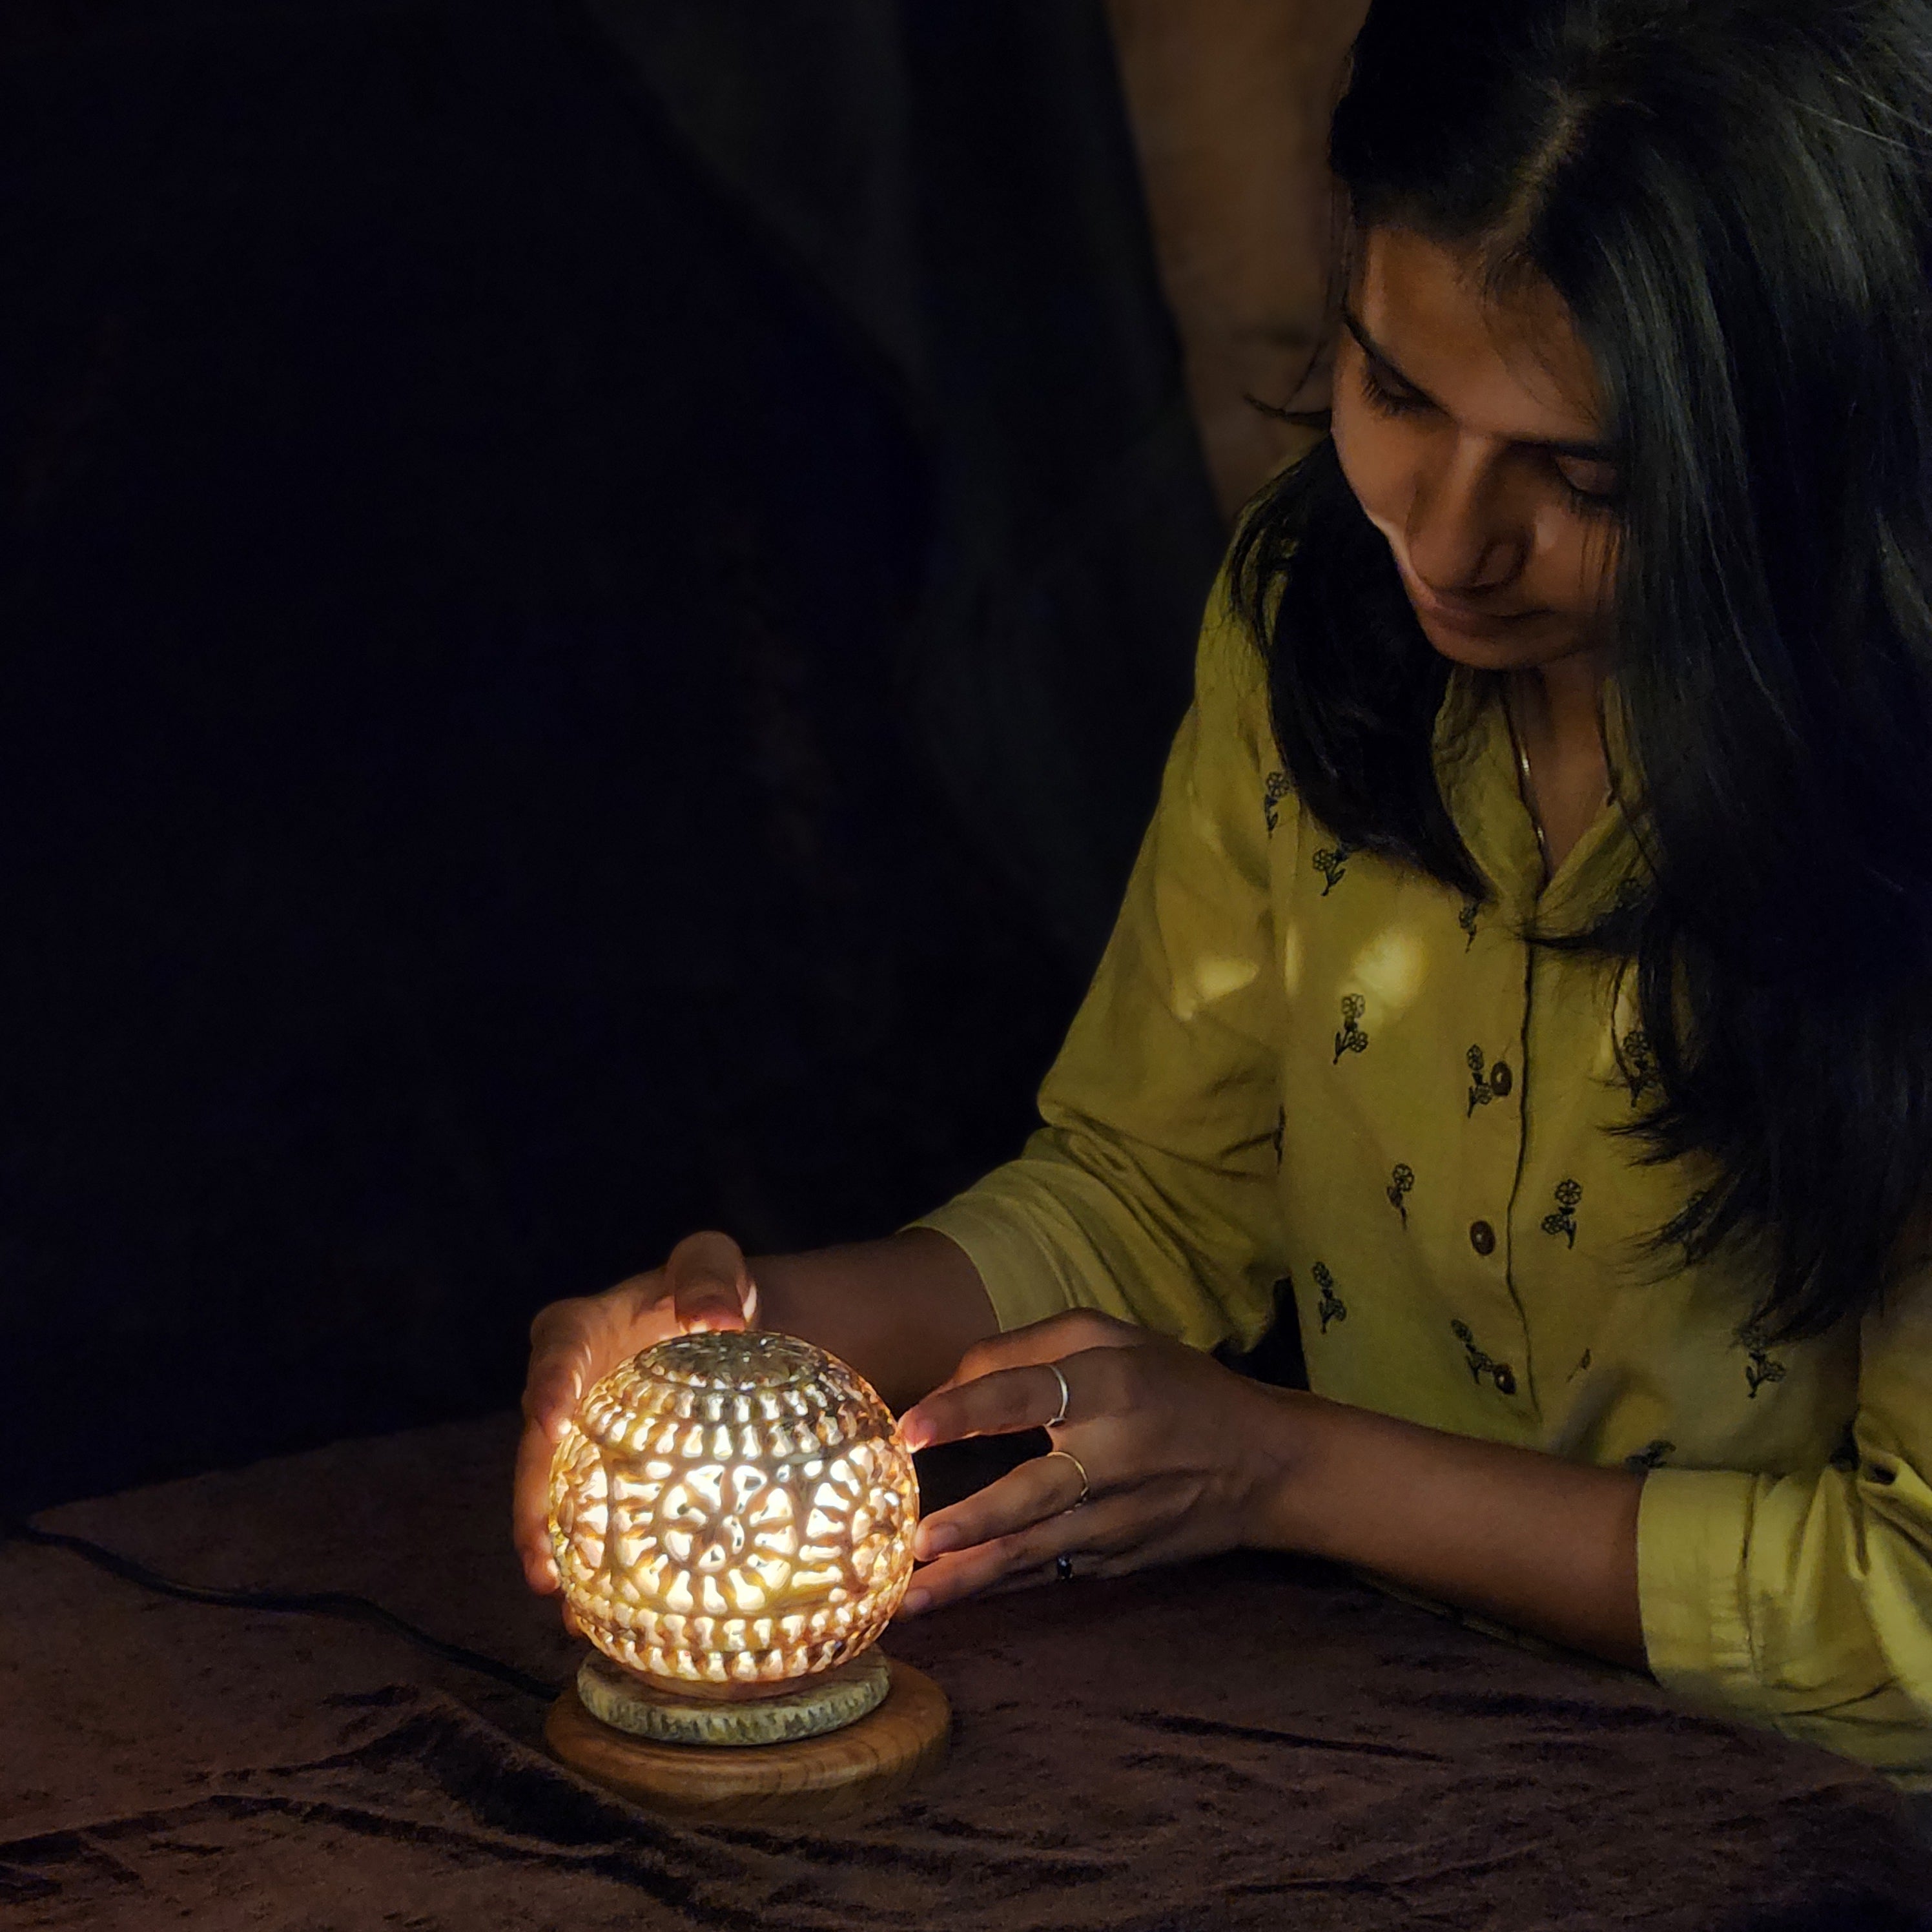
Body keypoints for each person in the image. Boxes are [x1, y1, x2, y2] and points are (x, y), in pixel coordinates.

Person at [514, 0, 1932, 1796]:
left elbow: (1911, 1617)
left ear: (1809, 440)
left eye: (1587, 477)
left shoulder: (1889, 803)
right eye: (1396, 388)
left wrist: (1288, 1468)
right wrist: (747, 1340)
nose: (1444, 532)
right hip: (1408, 1753)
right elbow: (1154, 1193)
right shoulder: (1321, 625)